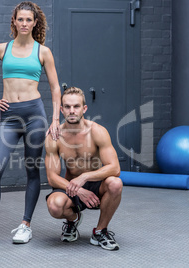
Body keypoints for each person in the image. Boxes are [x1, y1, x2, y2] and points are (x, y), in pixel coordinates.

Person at [0, 1, 61, 245]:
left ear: (35, 23)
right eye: (20, 19)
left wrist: (55, 119)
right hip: (10, 117)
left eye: (28, 20)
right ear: (14, 21)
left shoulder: (42, 52)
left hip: (35, 115)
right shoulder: (3, 49)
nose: (24, 23)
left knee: (32, 170)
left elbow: (55, 88)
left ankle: (26, 225)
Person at [45, 87, 123, 251]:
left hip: (95, 185)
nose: (72, 111)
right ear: (61, 109)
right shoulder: (55, 136)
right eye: (67, 107)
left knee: (115, 183)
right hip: (71, 186)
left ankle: (100, 231)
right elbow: (52, 177)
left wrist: (85, 176)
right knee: (54, 205)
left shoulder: (97, 132)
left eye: (76, 106)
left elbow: (115, 168)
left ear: (84, 109)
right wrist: (78, 189)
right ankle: (73, 220)